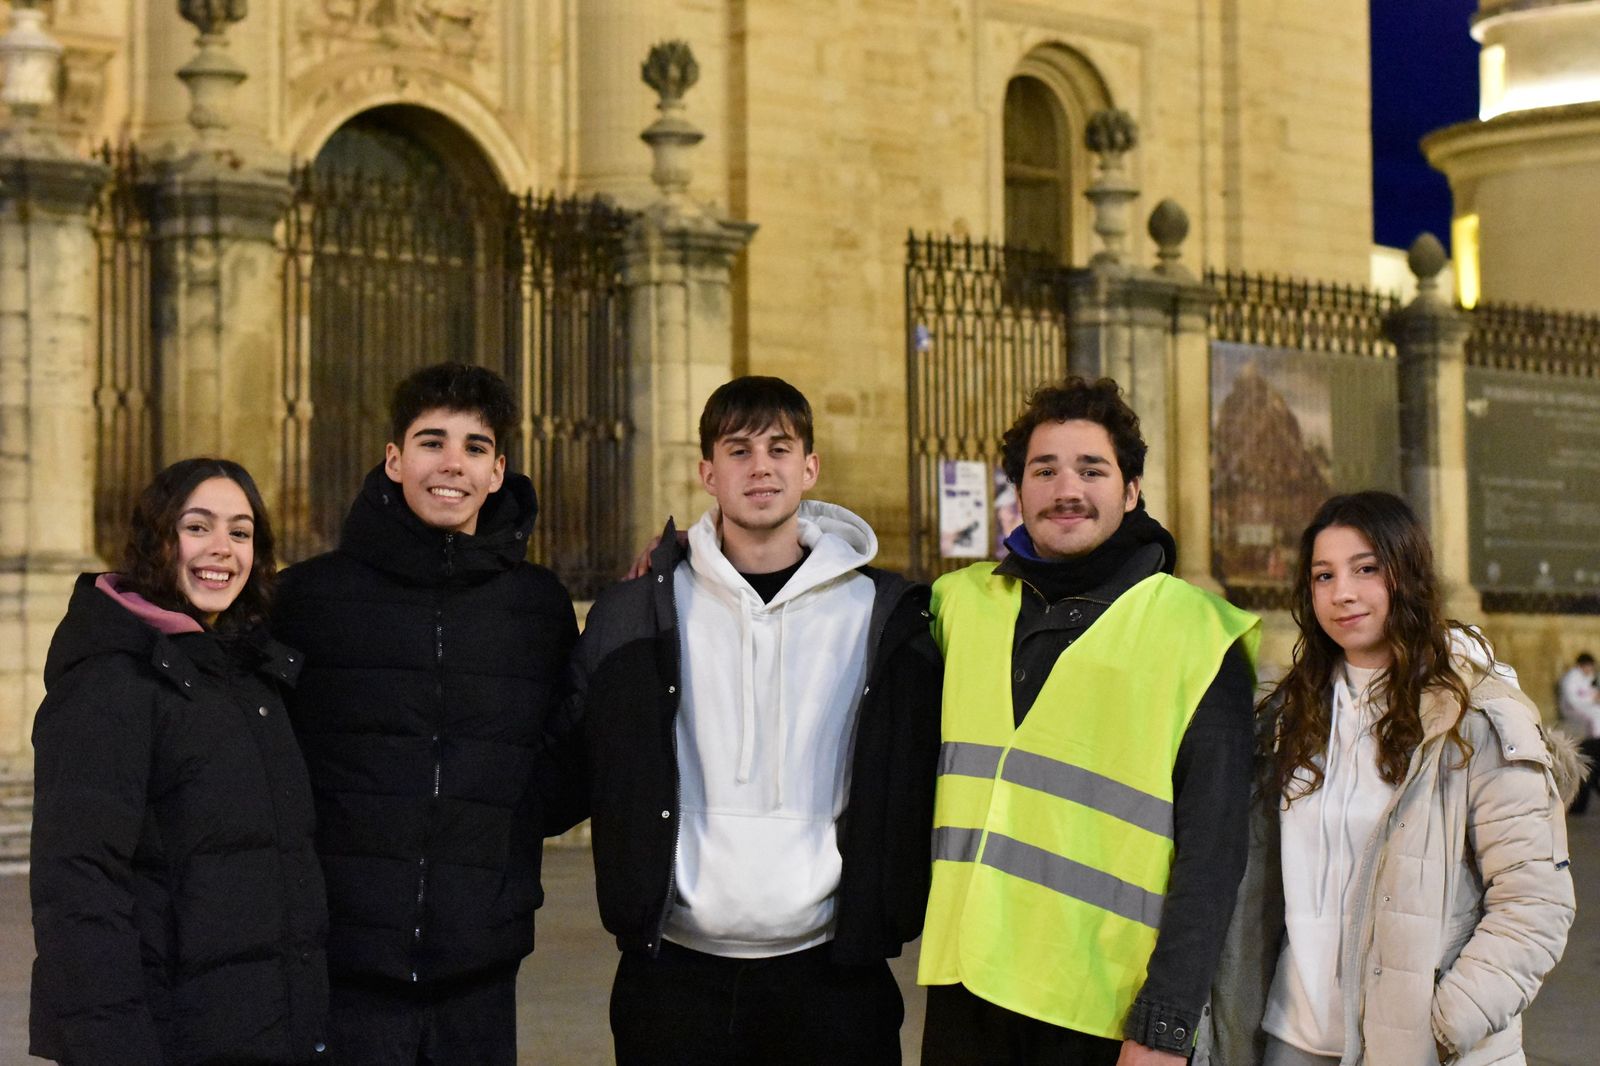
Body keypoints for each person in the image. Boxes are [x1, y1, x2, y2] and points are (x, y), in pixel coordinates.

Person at [572, 375, 943, 1064]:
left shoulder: (883, 616)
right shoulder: (641, 611)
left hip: (832, 972)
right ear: (707, 472)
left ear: (810, 468)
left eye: (779, 447)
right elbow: (577, 752)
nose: (761, 466)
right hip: (673, 974)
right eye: (738, 450)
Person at [918, 376, 1261, 1066]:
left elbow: (1214, 856)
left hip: (1100, 1013)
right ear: (1018, 491)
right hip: (966, 994)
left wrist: (1165, 1026)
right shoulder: (960, 605)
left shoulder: (1198, 635)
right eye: (1044, 470)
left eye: (1091, 469)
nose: (1065, 488)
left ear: (1132, 491)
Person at [272, 363, 579, 1065]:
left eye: (475, 447)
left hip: (480, 964)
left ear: (498, 471)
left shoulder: (537, 606)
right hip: (341, 965)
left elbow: (570, 750)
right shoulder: (309, 600)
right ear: (394, 459)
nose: (452, 464)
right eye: (431, 441)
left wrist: (505, 835)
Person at [1204, 491, 1578, 1066]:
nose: (1342, 593)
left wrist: (1437, 1030)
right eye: (1322, 576)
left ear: (1407, 574)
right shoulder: (1288, 718)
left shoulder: (1475, 716)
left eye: (1366, 569)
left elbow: (1535, 905)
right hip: (1290, 1039)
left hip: (1423, 1049)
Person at [30, 458, 329, 1065]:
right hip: (166, 1040)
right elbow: (79, 888)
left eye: (240, 533)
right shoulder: (110, 680)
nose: (222, 549)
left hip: (265, 1034)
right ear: (157, 538)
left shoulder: (250, 677)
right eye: (198, 527)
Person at [1557, 652, 1600, 813]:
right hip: (1572, 709)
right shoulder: (1571, 678)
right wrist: (1592, 699)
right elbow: (1572, 699)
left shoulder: (1585, 677)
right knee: (1595, 716)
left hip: (1585, 704)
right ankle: (1595, 741)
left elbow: (1589, 691)